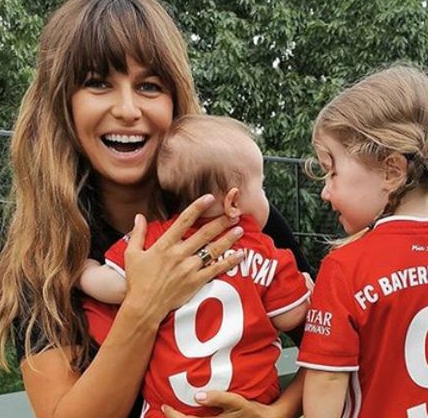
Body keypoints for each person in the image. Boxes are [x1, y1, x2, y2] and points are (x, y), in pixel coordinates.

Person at [0, 0, 310, 418]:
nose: (128, 109)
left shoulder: (239, 217)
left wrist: (280, 411)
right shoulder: (47, 253)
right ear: (63, 105)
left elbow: (334, 344)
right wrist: (145, 305)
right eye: (98, 83)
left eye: (149, 86)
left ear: (175, 100)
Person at [297, 65, 428, 418]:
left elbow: (327, 382)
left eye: (332, 171)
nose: (325, 192)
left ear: (391, 171)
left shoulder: (346, 268)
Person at [80, 115, 311, 417]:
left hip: (169, 409)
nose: (265, 197)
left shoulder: (152, 241)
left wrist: (83, 272)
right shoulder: (266, 253)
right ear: (234, 202)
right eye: (262, 188)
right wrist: (305, 290)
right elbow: (292, 316)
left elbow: (113, 286)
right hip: (250, 405)